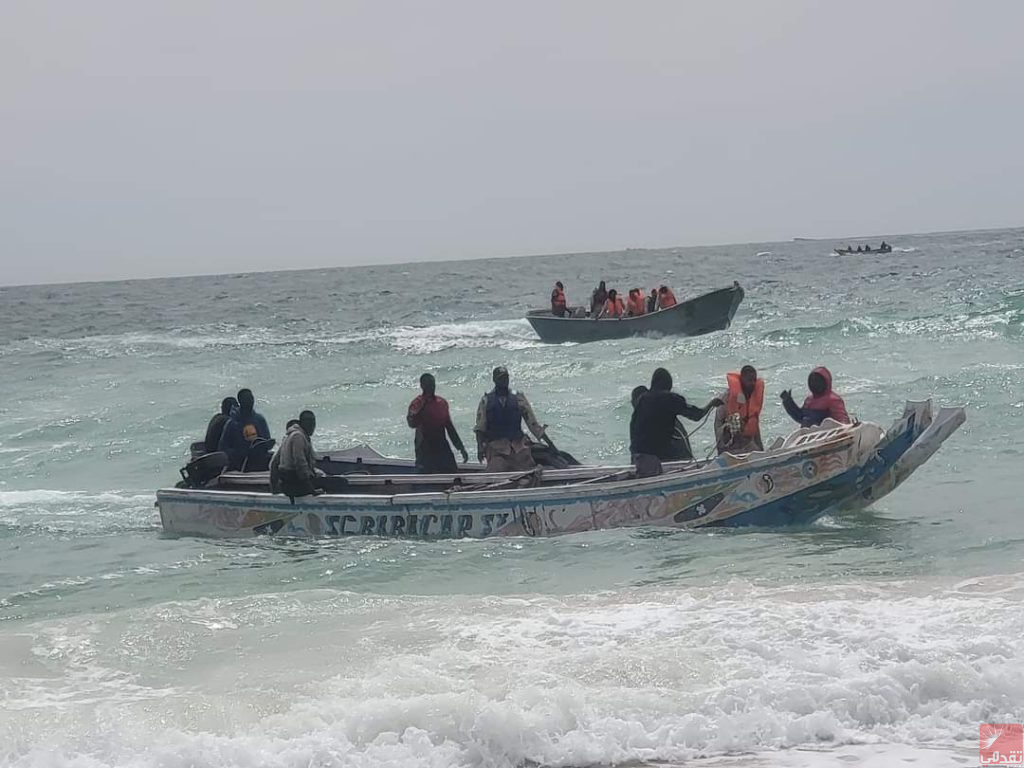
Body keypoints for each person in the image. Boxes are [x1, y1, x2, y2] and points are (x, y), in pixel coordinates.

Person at [630, 368, 723, 477]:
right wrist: (711, 404)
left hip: (637, 453)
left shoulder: (642, 399)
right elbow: (696, 415)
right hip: (653, 456)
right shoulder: (671, 398)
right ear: (669, 384)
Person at [475, 366, 548, 472]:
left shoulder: (518, 398)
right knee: (497, 469)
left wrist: (549, 443)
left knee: (528, 470)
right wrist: (480, 448)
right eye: (501, 378)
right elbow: (480, 427)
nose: (504, 381)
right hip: (497, 448)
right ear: (494, 380)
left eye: (506, 378)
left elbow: (532, 424)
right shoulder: (486, 401)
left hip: (518, 446)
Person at [407, 373, 469, 474]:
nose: (431, 388)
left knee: (451, 472)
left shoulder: (442, 403)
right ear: (422, 386)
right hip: (424, 446)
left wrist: (460, 448)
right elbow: (411, 424)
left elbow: (449, 427)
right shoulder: (416, 403)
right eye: (428, 385)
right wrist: (420, 410)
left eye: (433, 385)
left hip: (441, 444)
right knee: (425, 475)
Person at [714, 365, 765, 454]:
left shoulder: (752, 396)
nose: (752, 383)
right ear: (742, 380)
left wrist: (761, 450)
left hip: (746, 440)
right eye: (749, 380)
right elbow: (718, 423)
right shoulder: (727, 398)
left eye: (754, 380)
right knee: (731, 426)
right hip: (728, 437)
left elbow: (754, 422)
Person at [218, 388, 272, 470]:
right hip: (240, 464)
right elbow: (223, 448)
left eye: (251, 398)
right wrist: (240, 452)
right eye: (247, 399)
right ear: (240, 402)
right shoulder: (232, 423)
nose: (250, 401)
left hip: (259, 460)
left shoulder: (260, 420)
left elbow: (267, 440)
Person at [781, 367, 850, 427]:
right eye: (812, 381)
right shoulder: (809, 400)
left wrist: (845, 428)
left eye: (818, 381)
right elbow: (800, 417)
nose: (815, 383)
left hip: (829, 434)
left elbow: (842, 419)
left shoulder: (833, 400)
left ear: (826, 382)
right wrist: (788, 403)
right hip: (810, 435)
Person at [274, 410, 320, 501]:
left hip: (289, 482)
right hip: (294, 483)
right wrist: (312, 490)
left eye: (313, 423)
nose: (312, 426)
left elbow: (275, 462)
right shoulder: (298, 437)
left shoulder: (293, 436)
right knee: (339, 482)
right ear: (302, 423)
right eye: (309, 423)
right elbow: (300, 464)